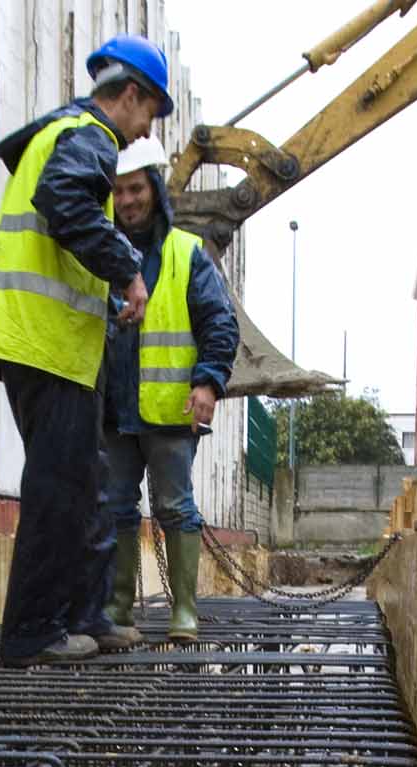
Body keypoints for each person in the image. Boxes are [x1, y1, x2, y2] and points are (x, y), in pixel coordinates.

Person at [0, 35, 171, 666]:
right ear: (131, 96)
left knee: (83, 485)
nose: (144, 130)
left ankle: (81, 616)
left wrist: (103, 297)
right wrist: (127, 268)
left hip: (52, 344)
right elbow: (66, 202)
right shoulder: (90, 136)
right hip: (41, 341)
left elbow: (62, 231)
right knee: (59, 487)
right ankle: (31, 632)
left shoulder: (67, 135)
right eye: (150, 113)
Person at [95, 136, 239, 647]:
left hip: (169, 409)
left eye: (135, 189)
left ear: (154, 190)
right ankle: (115, 608)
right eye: (118, 191)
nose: (127, 201)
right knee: (114, 505)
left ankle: (184, 611)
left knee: (175, 506)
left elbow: (218, 321)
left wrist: (208, 381)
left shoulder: (186, 254)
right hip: (113, 410)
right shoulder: (101, 251)